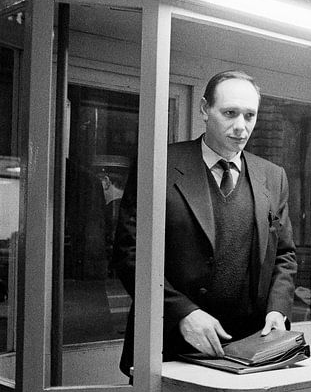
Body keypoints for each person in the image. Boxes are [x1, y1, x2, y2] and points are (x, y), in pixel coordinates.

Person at [114, 70, 297, 376]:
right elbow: (130, 254)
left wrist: (278, 310)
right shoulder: (158, 165)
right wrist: (182, 313)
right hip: (170, 343)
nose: (241, 126)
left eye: (250, 115)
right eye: (230, 113)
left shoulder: (272, 176)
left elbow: (284, 256)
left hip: (251, 348)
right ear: (204, 109)